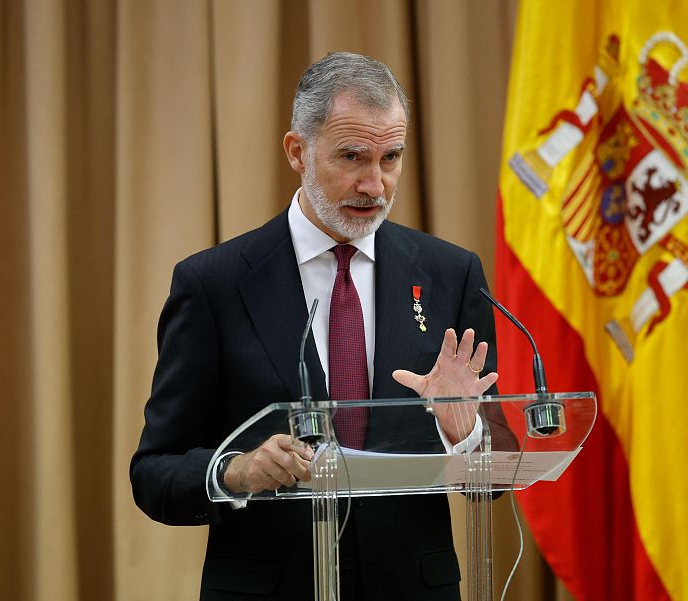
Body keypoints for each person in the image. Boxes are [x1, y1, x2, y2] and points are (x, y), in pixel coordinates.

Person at [131, 52, 512, 601]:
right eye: (352, 157)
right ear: (297, 152)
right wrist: (238, 471)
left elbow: (496, 476)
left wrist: (465, 433)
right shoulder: (211, 284)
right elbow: (154, 473)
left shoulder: (451, 275)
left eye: (391, 158)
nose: (375, 185)